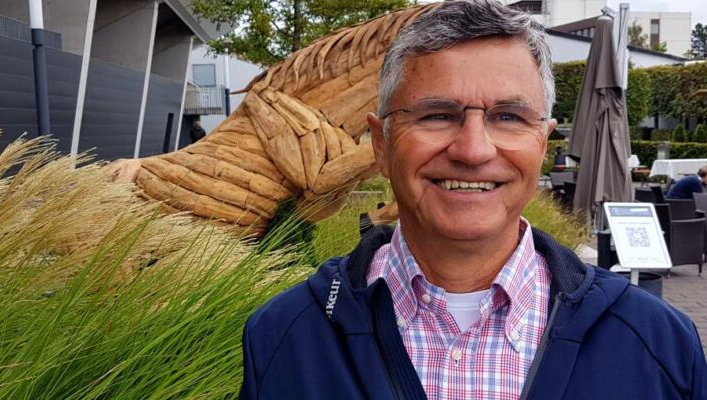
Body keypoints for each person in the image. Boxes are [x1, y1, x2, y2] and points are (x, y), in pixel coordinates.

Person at [239, 1, 707, 399]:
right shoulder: (283, 337)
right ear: (381, 144)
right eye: (437, 115)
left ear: (542, 144)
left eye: (508, 116)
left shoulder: (658, 343)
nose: (473, 150)